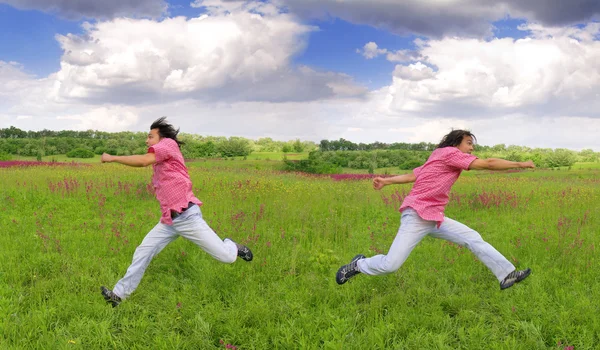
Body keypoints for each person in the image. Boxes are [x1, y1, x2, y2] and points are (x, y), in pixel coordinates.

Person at [336, 130, 533, 290]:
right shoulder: (450, 154)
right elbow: (488, 163)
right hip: (417, 215)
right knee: (390, 265)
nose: (472, 149)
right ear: (456, 143)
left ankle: (507, 274)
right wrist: (521, 164)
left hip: (435, 217)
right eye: (468, 143)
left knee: (472, 237)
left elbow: (413, 175)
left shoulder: (437, 156)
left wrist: (386, 181)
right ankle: (358, 265)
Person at [100, 117, 253, 307]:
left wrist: (112, 158)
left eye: (150, 137)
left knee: (226, 257)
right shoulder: (161, 160)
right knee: (143, 252)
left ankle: (233, 246)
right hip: (169, 221)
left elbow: (143, 161)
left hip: (187, 217)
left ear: (161, 137)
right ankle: (118, 296)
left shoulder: (168, 144)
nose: (147, 141)